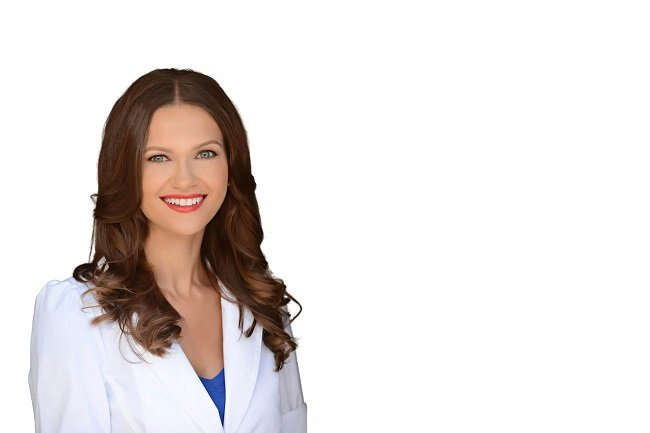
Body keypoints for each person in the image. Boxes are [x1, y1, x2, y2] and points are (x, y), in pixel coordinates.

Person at [27, 68, 307, 433]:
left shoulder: (262, 304)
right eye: (158, 157)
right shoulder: (77, 315)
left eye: (205, 153)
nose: (185, 179)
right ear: (125, 171)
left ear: (230, 166)